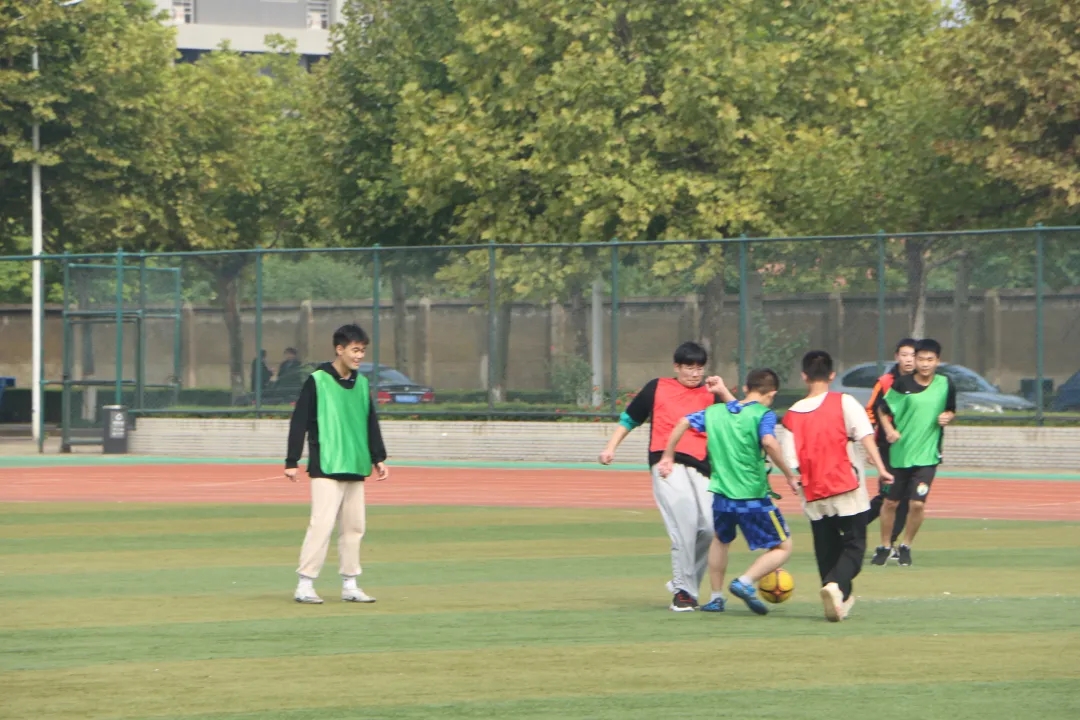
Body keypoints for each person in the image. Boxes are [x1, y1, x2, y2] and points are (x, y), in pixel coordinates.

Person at [658, 368, 799, 616]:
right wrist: (789, 474)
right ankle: (745, 581)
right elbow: (768, 441)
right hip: (752, 495)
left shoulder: (715, 412)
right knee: (783, 547)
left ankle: (716, 597)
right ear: (772, 393)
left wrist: (668, 454)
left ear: (746, 388)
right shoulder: (763, 414)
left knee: (721, 541)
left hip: (722, 495)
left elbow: (683, 422)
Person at [598, 341, 722, 612]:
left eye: (699, 368)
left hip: (703, 466)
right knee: (685, 525)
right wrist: (610, 447)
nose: (695, 373)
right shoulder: (657, 387)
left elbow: (738, 417)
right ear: (676, 367)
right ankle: (684, 592)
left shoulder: (712, 393)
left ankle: (683, 583)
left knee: (711, 528)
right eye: (689, 367)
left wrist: (723, 391)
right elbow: (630, 419)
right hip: (667, 464)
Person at [781, 350, 894, 622]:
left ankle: (836, 598)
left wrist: (791, 478)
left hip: (812, 490)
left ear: (804, 376)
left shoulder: (792, 414)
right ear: (832, 375)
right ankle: (836, 586)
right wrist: (881, 468)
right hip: (845, 484)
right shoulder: (844, 402)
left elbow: (789, 459)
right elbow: (865, 436)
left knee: (826, 547)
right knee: (855, 545)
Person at [285, 324, 390, 604]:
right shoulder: (317, 380)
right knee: (321, 524)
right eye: (355, 350)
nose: (359, 356)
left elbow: (370, 421)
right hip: (326, 464)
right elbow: (299, 421)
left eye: (362, 350)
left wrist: (378, 457)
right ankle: (305, 583)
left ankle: (350, 584)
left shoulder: (362, 384)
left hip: (355, 463)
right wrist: (292, 459)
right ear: (339, 349)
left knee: (354, 528)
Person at [872, 338, 956, 567]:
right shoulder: (902, 384)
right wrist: (889, 430)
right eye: (921, 359)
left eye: (930, 359)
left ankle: (906, 545)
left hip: (927, 456)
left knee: (917, 504)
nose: (925, 364)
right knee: (890, 502)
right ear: (915, 360)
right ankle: (885, 545)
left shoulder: (945, 383)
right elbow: (882, 409)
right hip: (899, 455)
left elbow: (951, 409)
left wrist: (948, 416)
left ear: (937, 361)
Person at [865, 338, 917, 556]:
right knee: (887, 496)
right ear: (897, 357)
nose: (909, 360)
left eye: (913, 355)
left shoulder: (926, 383)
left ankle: (891, 543)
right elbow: (871, 411)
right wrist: (871, 444)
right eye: (904, 355)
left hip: (914, 449)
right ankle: (852, 528)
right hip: (887, 448)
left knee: (907, 499)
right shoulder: (885, 382)